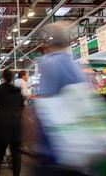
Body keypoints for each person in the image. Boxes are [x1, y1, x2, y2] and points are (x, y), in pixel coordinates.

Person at [35, 21, 86, 176]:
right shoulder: (78, 69)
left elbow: (43, 104)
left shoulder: (48, 63)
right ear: (68, 41)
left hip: (54, 146)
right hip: (80, 148)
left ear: (50, 41)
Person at [0, 68, 24, 175]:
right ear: (12, 78)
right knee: (15, 151)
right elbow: (22, 107)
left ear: (3, 78)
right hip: (16, 124)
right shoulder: (18, 91)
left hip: (3, 123)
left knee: (1, 146)